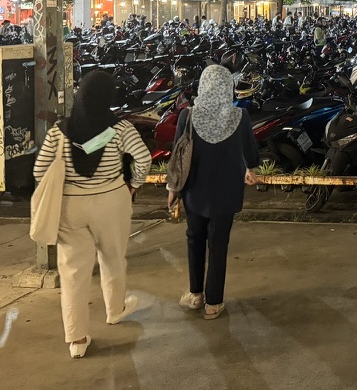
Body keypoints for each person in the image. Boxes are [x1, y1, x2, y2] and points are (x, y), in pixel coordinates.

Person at [33, 71, 152, 358]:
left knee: (73, 271)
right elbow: (144, 158)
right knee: (112, 257)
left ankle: (77, 339)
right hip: (111, 201)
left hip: (71, 206)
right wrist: (133, 184)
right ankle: (115, 310)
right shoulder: (119, 128)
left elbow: (39, 171)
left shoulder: (59, 131)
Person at [169, 64, 259, 319]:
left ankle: (196, 294)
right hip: (227, 191)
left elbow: (178, 153)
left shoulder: (188, 116)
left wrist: (172, 187)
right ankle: (214, 303)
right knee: (218, 244)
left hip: (195, 190)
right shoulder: (240, 117)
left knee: (194, 238)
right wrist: (251, 169)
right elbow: (250, 152)